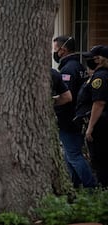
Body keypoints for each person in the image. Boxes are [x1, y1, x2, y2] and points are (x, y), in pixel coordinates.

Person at [52, 35, 96, 188]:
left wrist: (50, 101)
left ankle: (91, 187)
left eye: (55, 49)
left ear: (62, 50)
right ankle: (75, 187)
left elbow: (66, 96)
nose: (54, 53)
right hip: (75, 118)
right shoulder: (79, 66)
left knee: (73, 155)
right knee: (69, 156)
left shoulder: (68, 69)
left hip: (69, 119)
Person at [76, 45, 108, 187]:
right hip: (101, 122)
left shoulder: (100, 77)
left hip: (101, 124)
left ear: (99, 60)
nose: (89, 60)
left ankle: (103, 190)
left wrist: (90, 127)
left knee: (100, 160)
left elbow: (99, 103)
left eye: (92, 58)